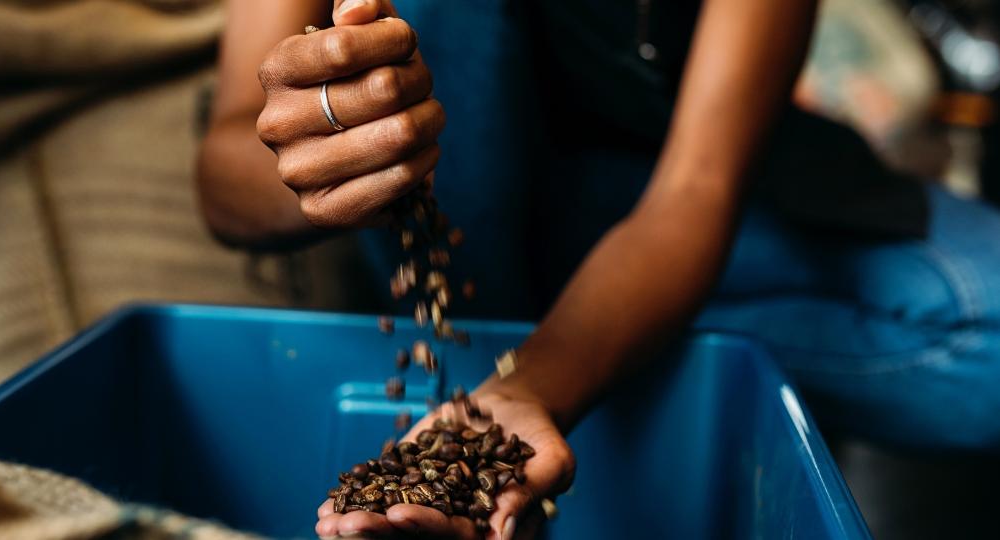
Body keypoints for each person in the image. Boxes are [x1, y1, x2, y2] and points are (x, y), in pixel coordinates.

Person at [197, 0, 1000, 537]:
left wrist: (530, 387)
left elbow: (696, 189)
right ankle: (637, 345)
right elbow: (227, 170)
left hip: (673, 201)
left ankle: (608, 336)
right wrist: (320, 155)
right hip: (458, 228)